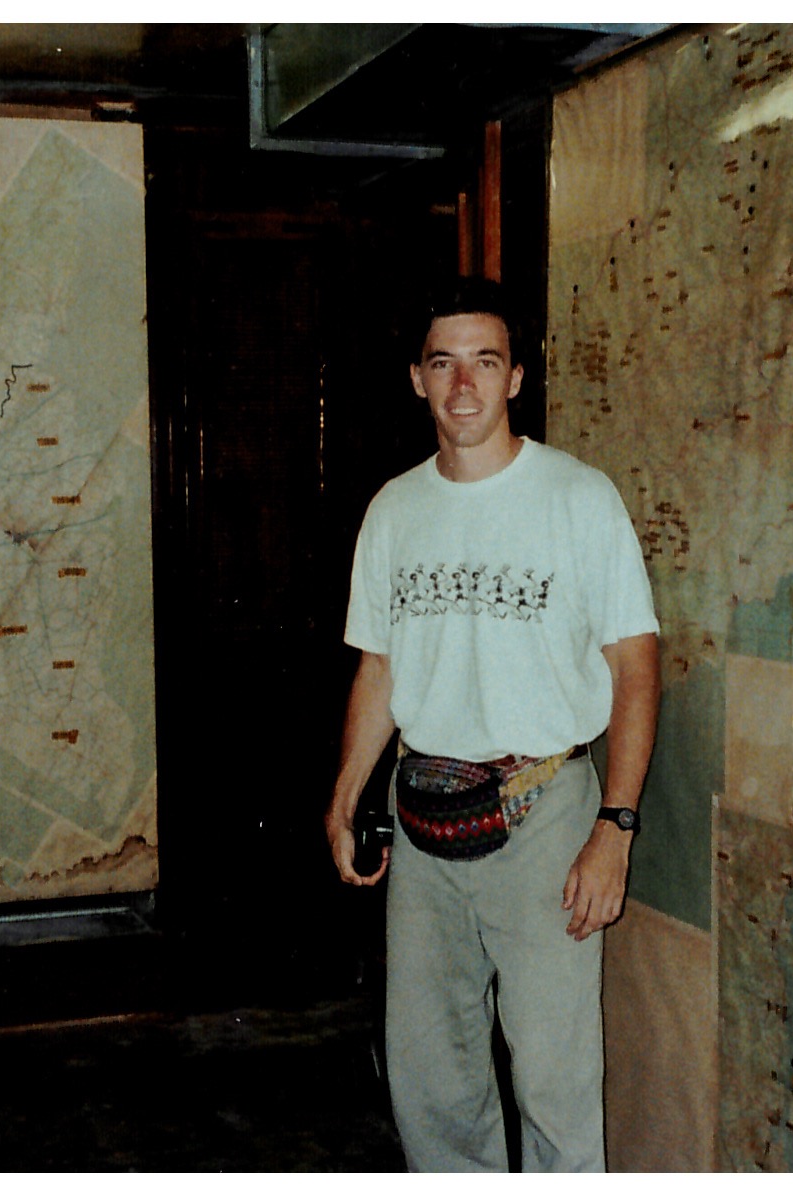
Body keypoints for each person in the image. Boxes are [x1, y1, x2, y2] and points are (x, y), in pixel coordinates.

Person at [325, 277, 660, 1172]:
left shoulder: (578, 498)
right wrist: (345, 795)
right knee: (430, 1081)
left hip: (544, 815)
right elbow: (380, 666)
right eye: (444, 363)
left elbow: (636, 666)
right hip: (425, 824)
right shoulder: (394, 510)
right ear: (416, 380)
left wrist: (614, 828)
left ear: (517, 378)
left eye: (485, 361)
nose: (463, 386)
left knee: (553, 1080)